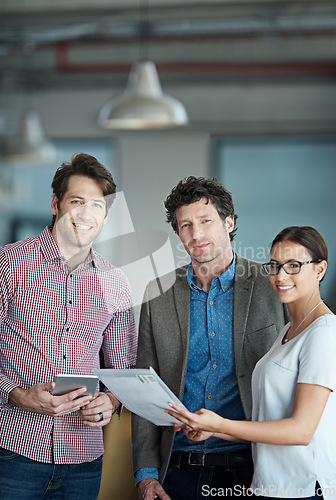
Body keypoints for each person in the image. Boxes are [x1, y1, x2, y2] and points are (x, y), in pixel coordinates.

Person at [132, 176, 288, 500]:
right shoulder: (156, 294)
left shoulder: (273, 285)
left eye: (206, 221)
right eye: (185, 225)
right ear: (177, 233)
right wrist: (146, 476)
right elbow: (144, 389)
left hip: (259, 466)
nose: (197, 234)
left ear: (229, 222)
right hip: (179, 470)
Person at [0, 153, 137, 499]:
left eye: (97, 205)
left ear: (106, 216)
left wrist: (111, 401)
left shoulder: (116, 282)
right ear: (55, 204)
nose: (86, 214)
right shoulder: (10, 263)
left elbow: (124, 369)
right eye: (77, 201)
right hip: (13, 451)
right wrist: (16, 394)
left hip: (83, 461)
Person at [167, 226, 336, 500]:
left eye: (294, 266)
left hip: (304, 488)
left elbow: (301, 430)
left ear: (319, 269)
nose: (281, 276)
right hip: (269, 487)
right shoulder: (289, 332)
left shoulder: (324, 333)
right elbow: (266, 423)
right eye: (275, 265)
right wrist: (213, 428)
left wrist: (220, 424)